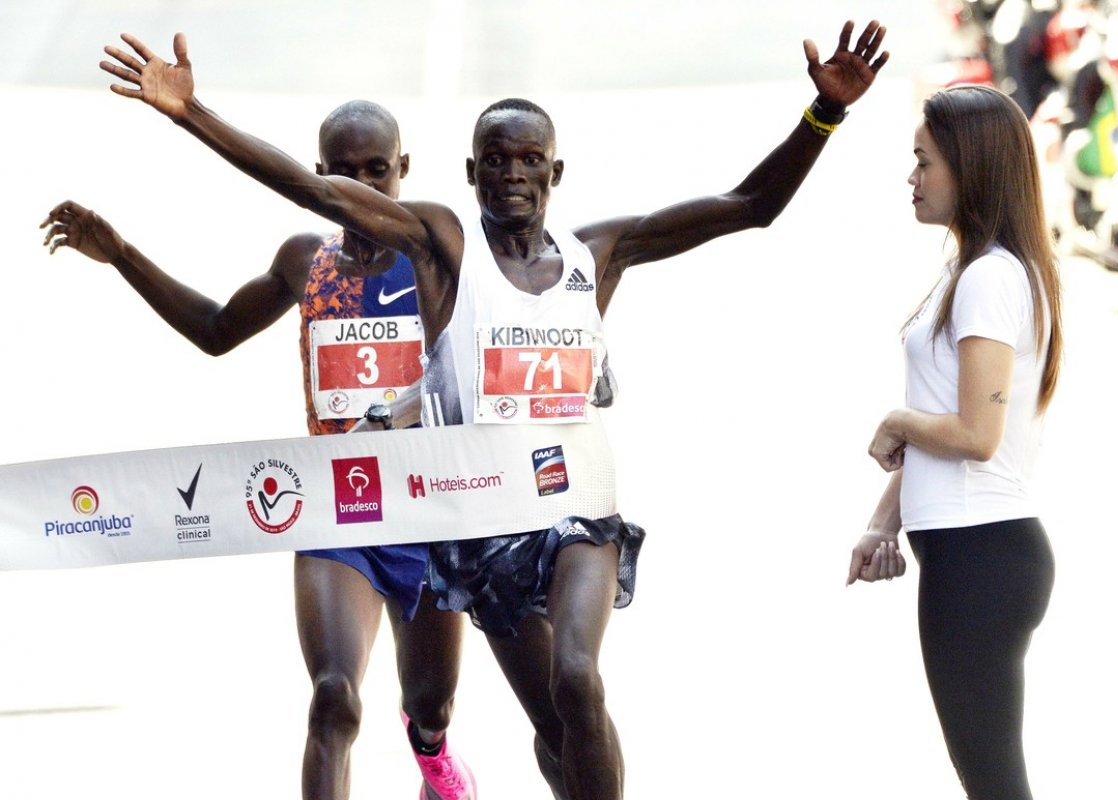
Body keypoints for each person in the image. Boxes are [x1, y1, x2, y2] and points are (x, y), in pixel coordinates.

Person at [97, 21, 889, 799]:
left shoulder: (597, 254)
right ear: (471, 175)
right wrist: (192, 113)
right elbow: (307, 192)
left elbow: (749, 203)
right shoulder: (442, 249)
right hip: (474, 524)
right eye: (497, 162)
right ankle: (483, 762)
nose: (514, 174)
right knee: (515, 718)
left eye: (531, 160)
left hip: (574, 513)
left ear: (556, 170)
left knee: (576, 682)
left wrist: (823, 115)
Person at [39, 100, 476, 800]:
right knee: (334, 696)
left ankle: (432, 751)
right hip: (337, 513)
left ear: (404, 171)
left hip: (430, 516)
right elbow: (215, 329)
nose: (362, 186)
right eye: (344, 172)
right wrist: (121, 254)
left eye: (378, 171)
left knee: (432, 703)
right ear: (319, 176)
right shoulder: (308, 263)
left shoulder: (433, 257)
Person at [846, 84, 1064, 800]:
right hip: (974, 553)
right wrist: (884, 520)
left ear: (968, 170)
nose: (910, 177)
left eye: (923, 161)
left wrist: (897, 421)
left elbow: (975, 433)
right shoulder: (972, 272)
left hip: (983, 557)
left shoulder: (989, 279)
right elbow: (953, 417)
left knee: (996, 785)